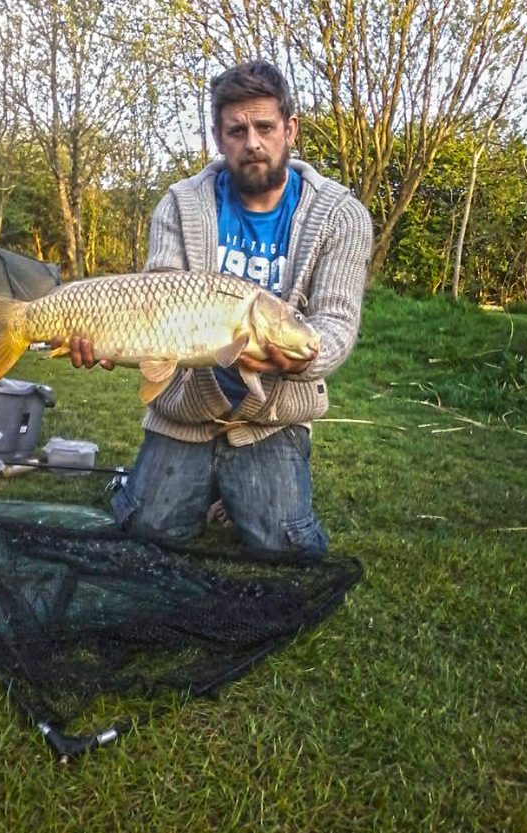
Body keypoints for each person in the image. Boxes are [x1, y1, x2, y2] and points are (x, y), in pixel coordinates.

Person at [67, 61, 373, 561]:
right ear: (219, 136)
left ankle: (233, 487)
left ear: (289, 129)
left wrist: (303, 359)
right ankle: (191, 484)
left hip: (271, 415)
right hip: (188, 408)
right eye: (237, 130)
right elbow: (153, 305)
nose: (252, 141)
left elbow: (335, 323)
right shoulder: (180, 205)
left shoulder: (339, 215)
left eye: (265, 127)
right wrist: (105, 338)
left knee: (286, 546)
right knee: (150, 528)